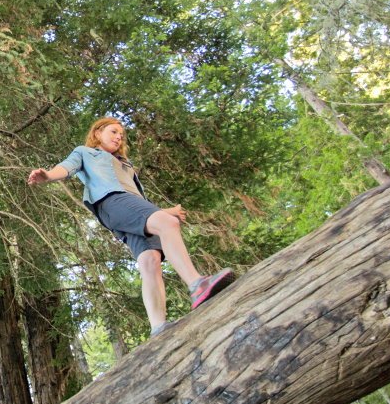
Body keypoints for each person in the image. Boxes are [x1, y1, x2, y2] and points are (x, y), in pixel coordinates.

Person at [28, 117, 236, 335]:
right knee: (167, 225)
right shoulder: (86, 152)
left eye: (121, 135)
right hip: (111, 202)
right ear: (98, 133)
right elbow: (67, 168)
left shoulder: (126, 166)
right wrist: (49, 176)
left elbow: (138, 205)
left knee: (150, 260)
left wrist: (165, 211)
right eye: (113, 131)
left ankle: (158, 327)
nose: (118, 137)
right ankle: (197, 285)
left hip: (125, 209)